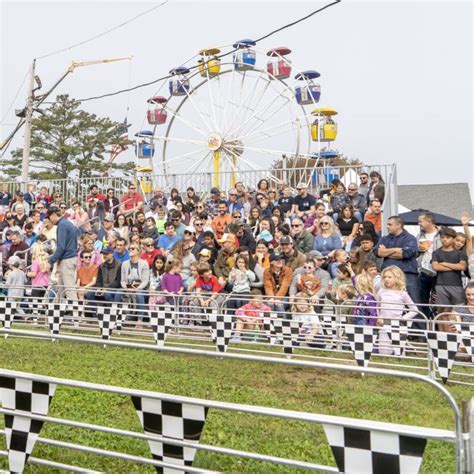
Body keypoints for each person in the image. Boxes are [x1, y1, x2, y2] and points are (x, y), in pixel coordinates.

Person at [374, 216, 420, 307]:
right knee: (389, 304)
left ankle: (418, 322)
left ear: (399, 225)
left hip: (407, 274)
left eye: (390, 224)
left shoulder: (410, 238)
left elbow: (406, 254)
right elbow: (377, 252)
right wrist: (396, 250)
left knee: (413, 303)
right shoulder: (384, 239)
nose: (387, 226)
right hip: (388, 275)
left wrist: (386, 251)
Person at [376, 266, 419, 352]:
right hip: (384, 324)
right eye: (384, 277)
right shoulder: (381, 291)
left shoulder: (402, 293)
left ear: (397, 278)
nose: (386, 279)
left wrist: (403, 319)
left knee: (398, 350)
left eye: (389, 277)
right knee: (383, 349)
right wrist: (378, 317)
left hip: (398, 325)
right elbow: (377, 306)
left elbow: (414, 310)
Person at [431, 227, 468, 306]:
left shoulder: (460, 253)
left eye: (448, 237)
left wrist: (444, 263)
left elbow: (462, 267)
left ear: (453, 239)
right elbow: (435, 267)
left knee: (459, 309)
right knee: (442, 311)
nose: (444, 239)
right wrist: (455, 267)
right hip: (440, 285)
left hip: (457, 285)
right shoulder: (436, 252)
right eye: (442, 237)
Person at [416, 211, 442, 319]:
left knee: (438, 300)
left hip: (439, 273)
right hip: (423, 271)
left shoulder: (442, 234)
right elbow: (415, 252)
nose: (419, 224)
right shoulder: (419, 235)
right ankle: (425, 325)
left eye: (420, 221)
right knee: (422, 300)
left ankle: (437, 324)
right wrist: (419, 249)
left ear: (429, 221)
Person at [120, 243, 150, 323]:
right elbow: (123, 281)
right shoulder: (124, 264)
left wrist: (137, 288)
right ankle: (116, 318)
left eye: (133, 248)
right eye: (129, 248)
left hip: (140, 287)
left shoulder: (144, 263)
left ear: (138, 251)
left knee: (139, 294)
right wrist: (126, 288)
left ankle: (140, 319)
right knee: (117, 293)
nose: (130, 250)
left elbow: (145, 281)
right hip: (128, 287)